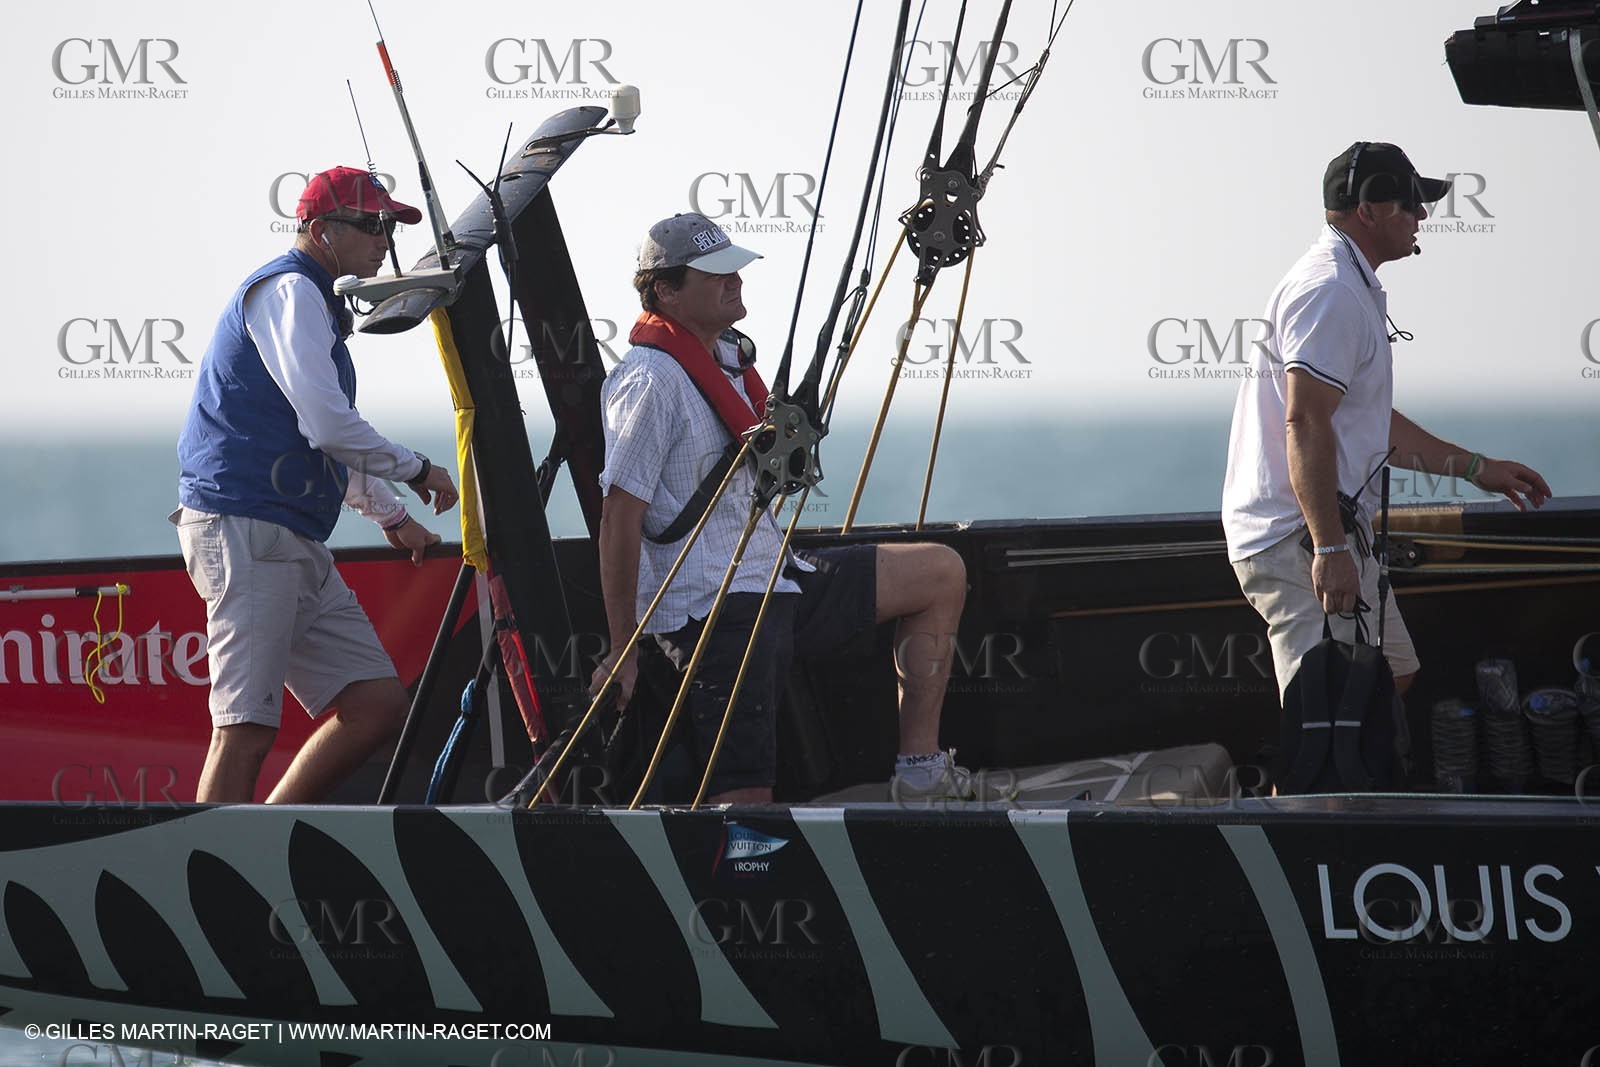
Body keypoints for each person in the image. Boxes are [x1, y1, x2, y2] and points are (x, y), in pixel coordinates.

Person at [590, 211, 1001, 804]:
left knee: (941, 572)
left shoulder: (726, 360)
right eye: (716, 275)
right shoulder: (649, 382)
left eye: (734, 269)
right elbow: (618, 520)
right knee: (744, 802)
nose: (734, 281)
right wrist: (622, 649)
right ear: (665, 292)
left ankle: (919, 770)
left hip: (775, 579)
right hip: (715, 611)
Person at [1223, 141, 1552, 703]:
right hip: (1298, 540)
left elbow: (1368, 424)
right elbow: (1305, 422)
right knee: (1323, 713)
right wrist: (1329, 551)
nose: (1422, 215)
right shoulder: (1330, 292)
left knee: (1392, 674)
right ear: (1368, 209)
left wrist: (1477, 468)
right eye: (1411, 203)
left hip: (1326, 534)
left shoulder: (1350, 286)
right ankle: (1307, 794)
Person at [173, 166, 460, 803]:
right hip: (246, 529)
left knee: (378, 704)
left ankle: (261, 846)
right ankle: (206, 883)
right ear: (318, 229)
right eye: (371, 225)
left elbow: (320, 432)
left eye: (389, 226)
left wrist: (389, 516)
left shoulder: (316, 301)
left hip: (287, 536)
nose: (384, 241)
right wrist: (417, 471)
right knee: (243, 729)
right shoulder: (291, 292)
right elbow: (328, 424)